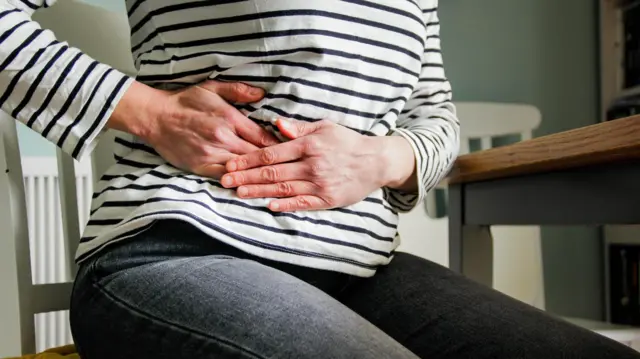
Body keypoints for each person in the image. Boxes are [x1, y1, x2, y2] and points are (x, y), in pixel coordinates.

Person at [1, 0, 638, 358]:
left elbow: (434, 109)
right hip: (179, 248)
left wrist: (385, 159)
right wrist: (150, 111)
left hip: (362, 271)